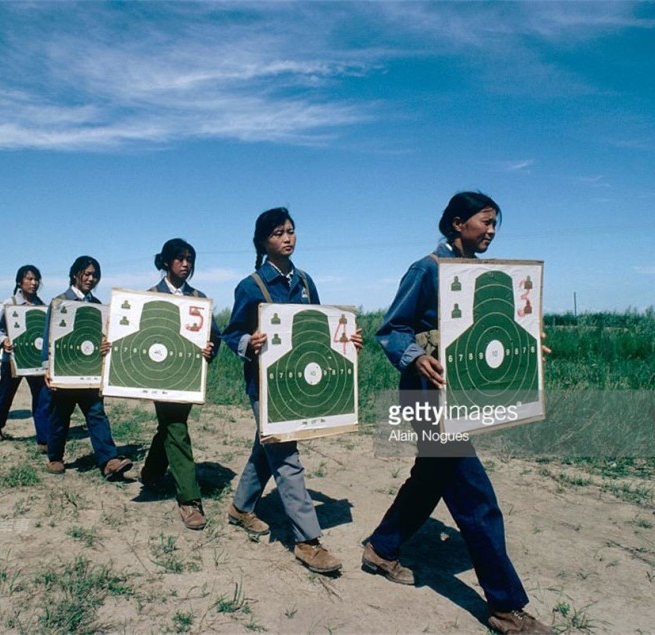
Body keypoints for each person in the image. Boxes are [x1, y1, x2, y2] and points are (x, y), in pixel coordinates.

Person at [362, 192, 551, 634]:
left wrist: (528, 349)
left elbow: (494, 330)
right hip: (426, 399)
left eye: (494, 224)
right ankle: (505, 606)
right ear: (457, 223)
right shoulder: (427, 269)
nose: (491, 231)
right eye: (485, 222)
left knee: (431, 479)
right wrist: (414, 355)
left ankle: (380, 548)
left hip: (458, 400)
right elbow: (391, 328)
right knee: (476, 498)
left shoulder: (481, 275)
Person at [222, 207, 362, 574]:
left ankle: (240, 508)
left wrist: (346, 341)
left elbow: (319, 328)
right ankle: (307, 541)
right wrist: (247, 343)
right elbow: (231, 332)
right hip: (265, 386)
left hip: (298, 384)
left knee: (267, 446)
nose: (288, 237)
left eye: (291, 230)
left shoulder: (305, 282)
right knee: (286, 456)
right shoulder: (251, 285)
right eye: (278, 233)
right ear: (263, 241)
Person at [140, 238, 222, 530]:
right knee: (176, 427)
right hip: (158, 376)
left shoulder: (199, 298)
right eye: (179, 258)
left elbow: (215, 335)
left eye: (190, 259)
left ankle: (150, 473)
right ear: (166, 262)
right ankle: (189, 499)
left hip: (187, 376)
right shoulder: (149, 297)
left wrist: (210, 350)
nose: (185, 264)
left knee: (171, 426)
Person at [42, 255, 132, 480]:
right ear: (75, 274)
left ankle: (109, 460)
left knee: (96, 413)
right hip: (64, 370)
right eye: (87, 273)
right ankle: (55, 457)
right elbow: (47, 338)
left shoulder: (97, 306)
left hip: (90, 372)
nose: (91, 279)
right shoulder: (60, 302)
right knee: (60, 415)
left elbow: (104, 337)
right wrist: (47, 368)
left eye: (95, 275)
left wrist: (105, 346)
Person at [0, 265, 49, 448]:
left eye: (36, 279)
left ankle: (43, 438)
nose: (34, 283)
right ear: (19, 282)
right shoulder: (10, 304)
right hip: (12, 361)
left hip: (35, 362)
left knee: (41, 398)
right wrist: (4, 341)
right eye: (29, 279)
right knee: (6, 395)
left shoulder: (42, 306)